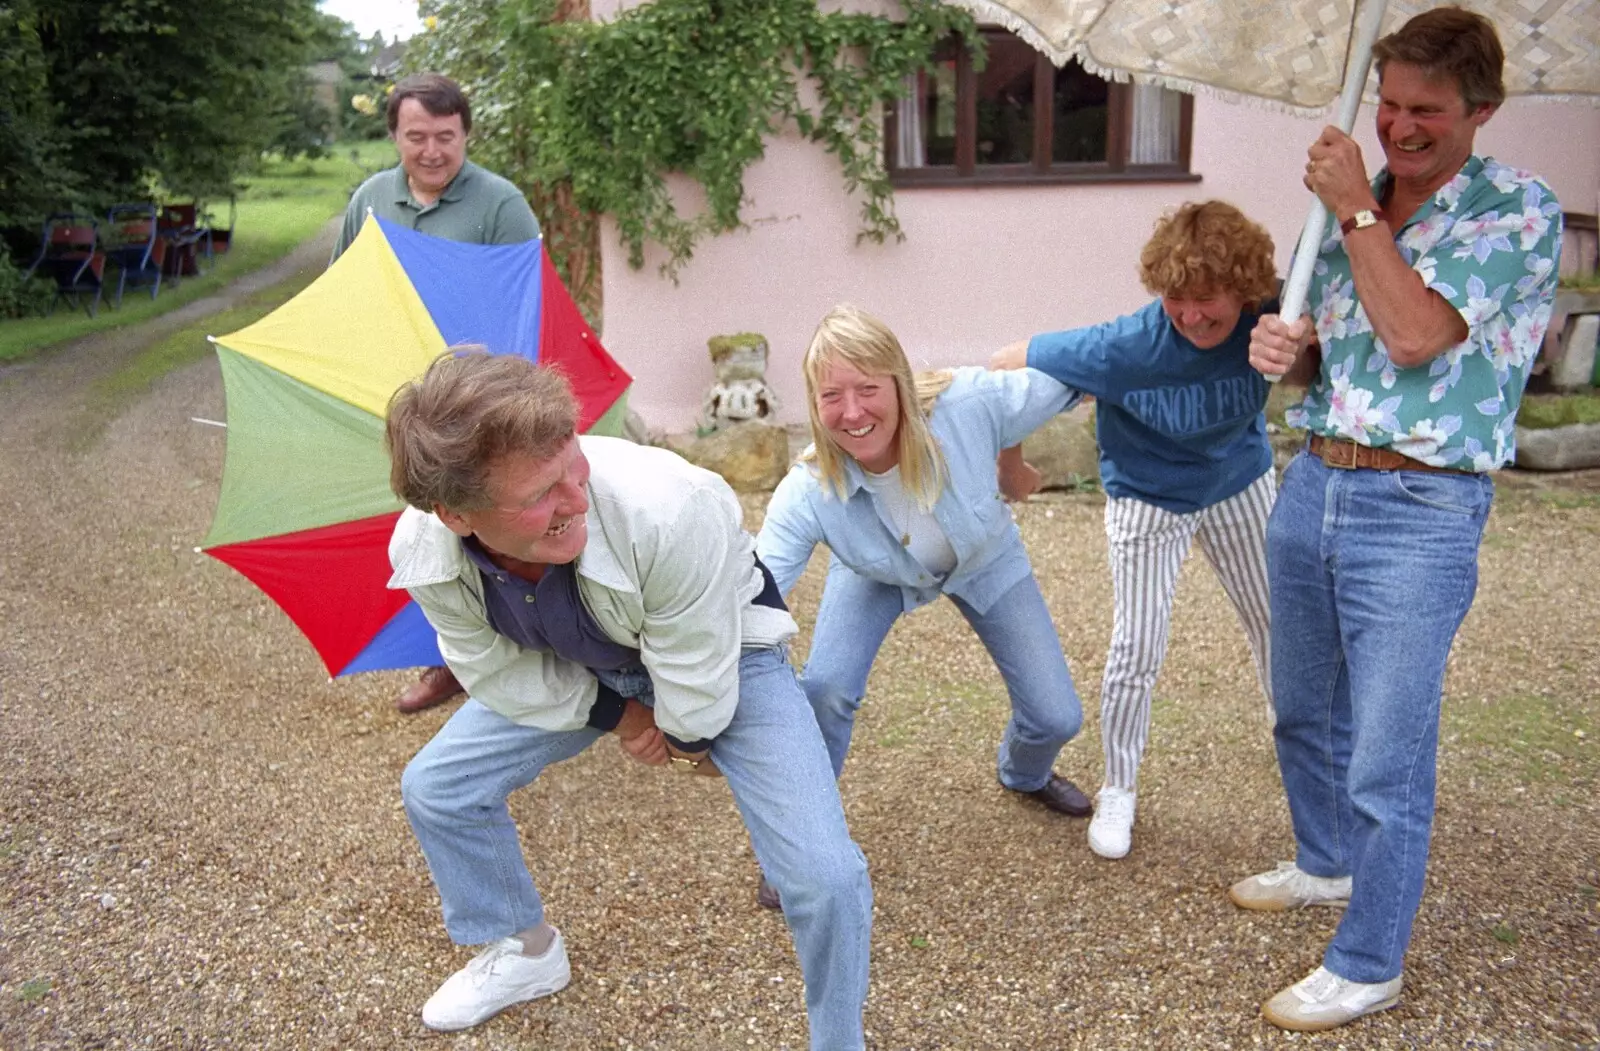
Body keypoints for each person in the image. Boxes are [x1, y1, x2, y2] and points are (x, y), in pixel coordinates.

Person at [385, 352, 872, 1047]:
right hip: (584, 671)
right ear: (456, 513)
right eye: (541, 494)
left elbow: (698, 668)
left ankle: (838, 1038)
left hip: (728, 651)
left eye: (573, 466)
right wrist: (620, 714)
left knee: (825, 875)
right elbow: (494, 669)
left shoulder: (670, 507)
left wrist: (684, 742)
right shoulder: (425, 550)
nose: (576, 498)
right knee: (437, 786)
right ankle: (524, 950)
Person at [1237, 7, 1562, 1033]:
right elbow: (1361, 353)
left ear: (1482, 110)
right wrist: (1293, 352)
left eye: (1426, 109)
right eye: (1389, 104)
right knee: (1301, 709)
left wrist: (1351, 214)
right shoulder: (1361, 202)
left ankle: (1368, 958)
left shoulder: (1515, 209)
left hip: (1420, 505)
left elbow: (1418, 333)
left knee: (1385, 750)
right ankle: (1327, 863)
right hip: (1317, 477)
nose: (1400, 126)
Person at [754, 304, 1092, 908]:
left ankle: (1024, 773)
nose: (852, 412)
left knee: (1057, 716)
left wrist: (1028, 372)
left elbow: (1084, 369)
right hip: (874, 574)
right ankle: (799, 842)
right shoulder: (807, 490)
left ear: (900, 384)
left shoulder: (968, 403)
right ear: (812, 404)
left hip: (986, 560)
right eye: (833, 395)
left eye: (867, 388)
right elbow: (750, 597)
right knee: (826, 687)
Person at [989, 200, 1280, 862]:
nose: (1193, 316)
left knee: (1279, 622)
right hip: (1148, 497)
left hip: (1239, 481)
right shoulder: (1127, 345)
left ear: (1246, 289)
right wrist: (1011, 466)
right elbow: (1003, 363)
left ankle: (1291, 738)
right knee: (1137, 646)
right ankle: (1119, 783)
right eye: (1178, 299)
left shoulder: (1270, 319)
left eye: (1209, 300)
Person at [336, 72, 543, 713]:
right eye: (416, 136)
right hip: (398, 392)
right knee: (412, 523)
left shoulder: (501, 204)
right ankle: (442, 656)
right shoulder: (369, 200)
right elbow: (343, 291)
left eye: (446, 137)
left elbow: (526, 301)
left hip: (477, 399)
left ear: (466, 134)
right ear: (395, 135)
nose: (431, 150)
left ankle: (512, 651)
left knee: (477, 520)